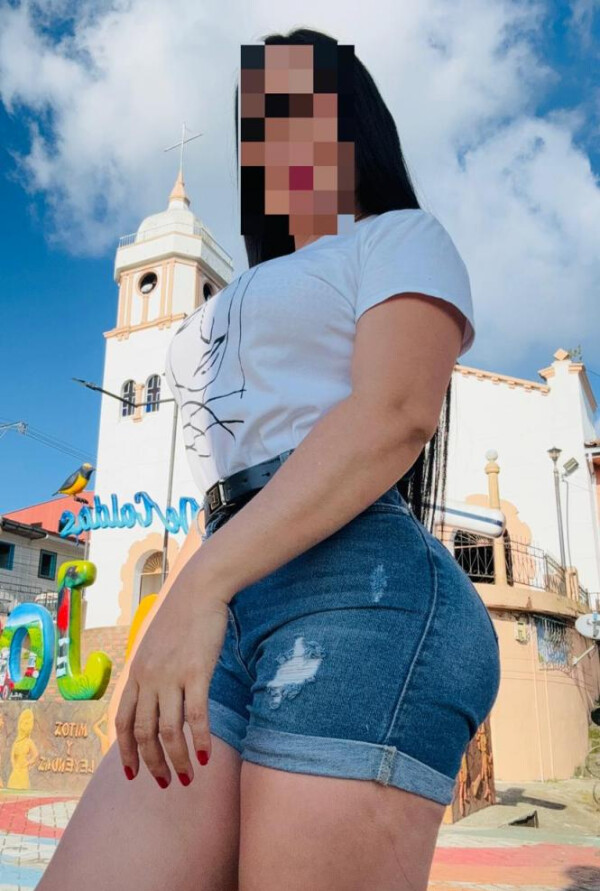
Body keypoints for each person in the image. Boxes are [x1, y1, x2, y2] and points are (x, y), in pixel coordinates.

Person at [39, 27, 500, 891]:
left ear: (355, 125)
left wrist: (200, 588)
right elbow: (213, 483)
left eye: (305, 112)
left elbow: (395, 413)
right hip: (226, 588)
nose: (280, 140)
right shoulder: (226, 305)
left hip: (360, 590)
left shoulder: (399, 237)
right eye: (262, 122)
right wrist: (164, 623)